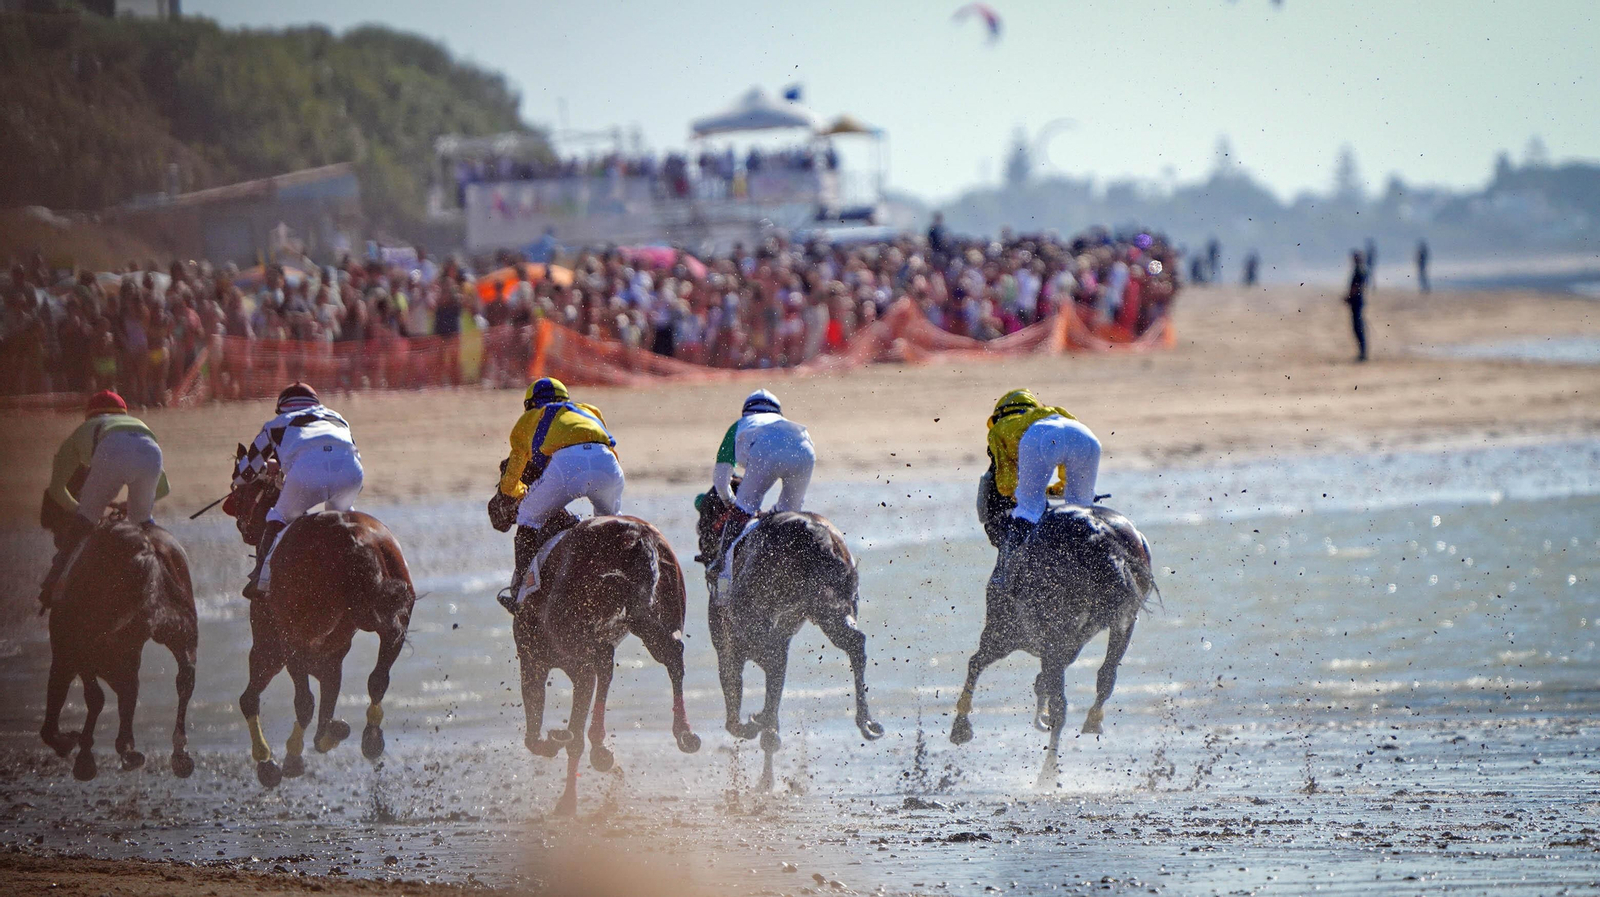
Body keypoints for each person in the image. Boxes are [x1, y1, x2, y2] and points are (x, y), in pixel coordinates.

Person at [492, 377, 621, 613]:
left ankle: (520, 595)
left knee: (528, 516)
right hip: (608, 464)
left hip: (568, 465)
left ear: (531, 405)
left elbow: (510, 485)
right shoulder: (589, 411)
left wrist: (524, 493)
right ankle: (622, 582)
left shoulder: (528, 419)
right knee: (610, 523)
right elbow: (611, 453)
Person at [39, 390, 170, 608]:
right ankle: (168, 582)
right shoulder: (135, 426)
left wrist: (82, 511)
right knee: (144, 523)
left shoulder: (83, 431)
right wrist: (132, 506)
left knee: (82, 524)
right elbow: (164, 489)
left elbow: (56, 490)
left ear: (90, 415)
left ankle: (50, 587)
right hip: (151, 450)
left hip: (111, 449)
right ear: (123, 414)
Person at [234, 382, 364, 600]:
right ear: (315, 404)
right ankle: (356, 576)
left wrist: (267, 467)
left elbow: (244, 474)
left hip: (307, 472)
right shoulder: (338, 417)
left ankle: (262, 580)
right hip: (351, 470)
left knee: (278, 516)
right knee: (342, 516)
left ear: (283, 407)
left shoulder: (275, 424)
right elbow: (350, 451)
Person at [709, 389, 815, 597]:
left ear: (745, 412)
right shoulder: (788, 426)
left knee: (742, 512)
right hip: (805, 446)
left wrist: (731, 502)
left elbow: (721, 481)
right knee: (789, 515)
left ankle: (722, 584)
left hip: (765, 449)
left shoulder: (739, 427)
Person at [984, 389, 1101, 574]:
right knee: (1082, 507)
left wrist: (1024, 495)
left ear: (1000, 415)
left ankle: (1008, 573)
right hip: (1086, 436)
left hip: (1043, 437)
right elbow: (1067, 467)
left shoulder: (1000, 429)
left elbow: (1006, 483)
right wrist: (1058, 489)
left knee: (1029, 508)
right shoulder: (1055, 415)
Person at [1346, 250, 1369, 362]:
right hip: (1358, 301)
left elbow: (1356, 287)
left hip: (1356, 302)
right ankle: (1362, 352)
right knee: (1359, 327)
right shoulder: (1362, 270)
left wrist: (1349, 297)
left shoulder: (1358, 271)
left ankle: (1363, 353)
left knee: (1358, 328)